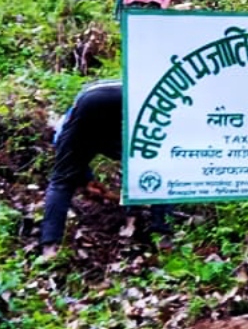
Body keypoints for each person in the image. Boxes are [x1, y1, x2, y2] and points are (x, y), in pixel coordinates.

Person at [40, 79, 173, 258]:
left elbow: (63, 147)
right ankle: (161, 234)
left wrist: (85, 179)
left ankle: (50, 248)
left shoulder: (67, 124)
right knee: (149, 161)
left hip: (93, 101)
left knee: (61, 182)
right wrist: (87, 180)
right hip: (132, 98)